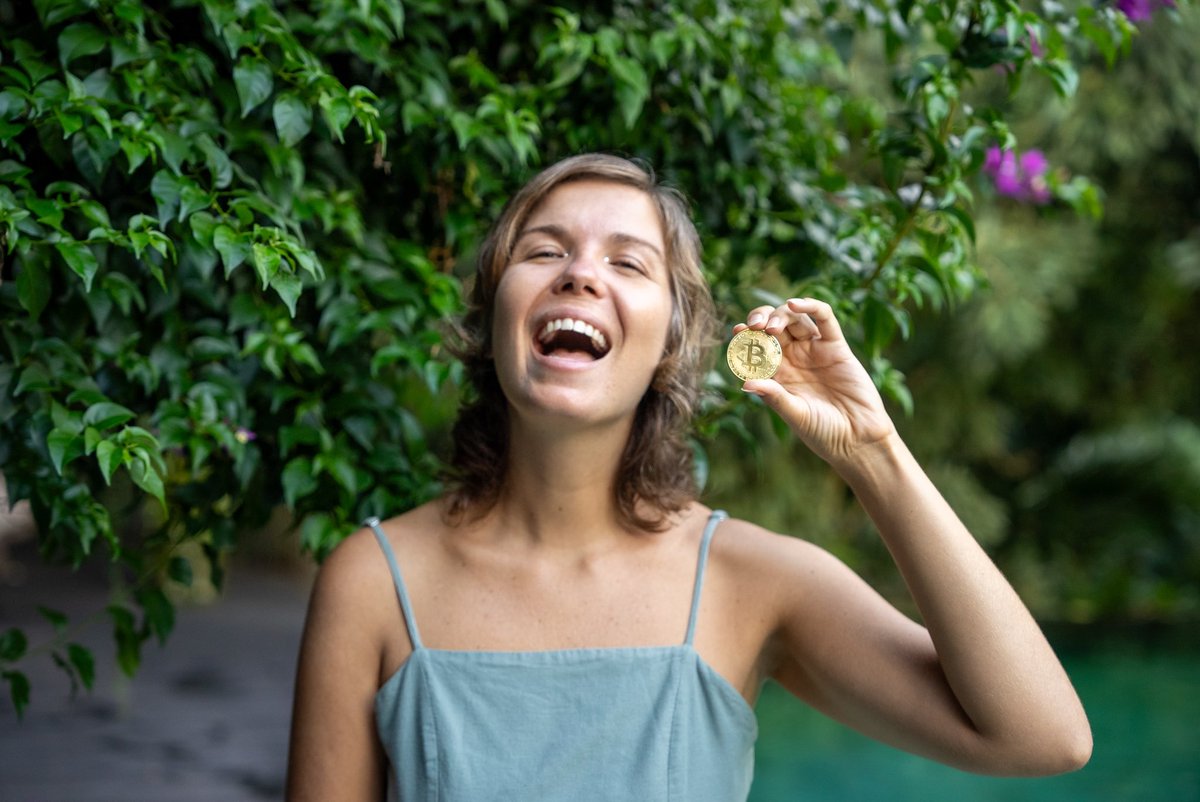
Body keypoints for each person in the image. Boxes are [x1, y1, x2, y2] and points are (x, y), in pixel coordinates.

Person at [285, 153, 1091, 801]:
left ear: (671, 344)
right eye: (544, 251)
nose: (580, 274)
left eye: (628, 262)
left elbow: (1043, 737)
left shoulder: (754, 582)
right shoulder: (372, 581)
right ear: (494, 316)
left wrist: (872, 453)